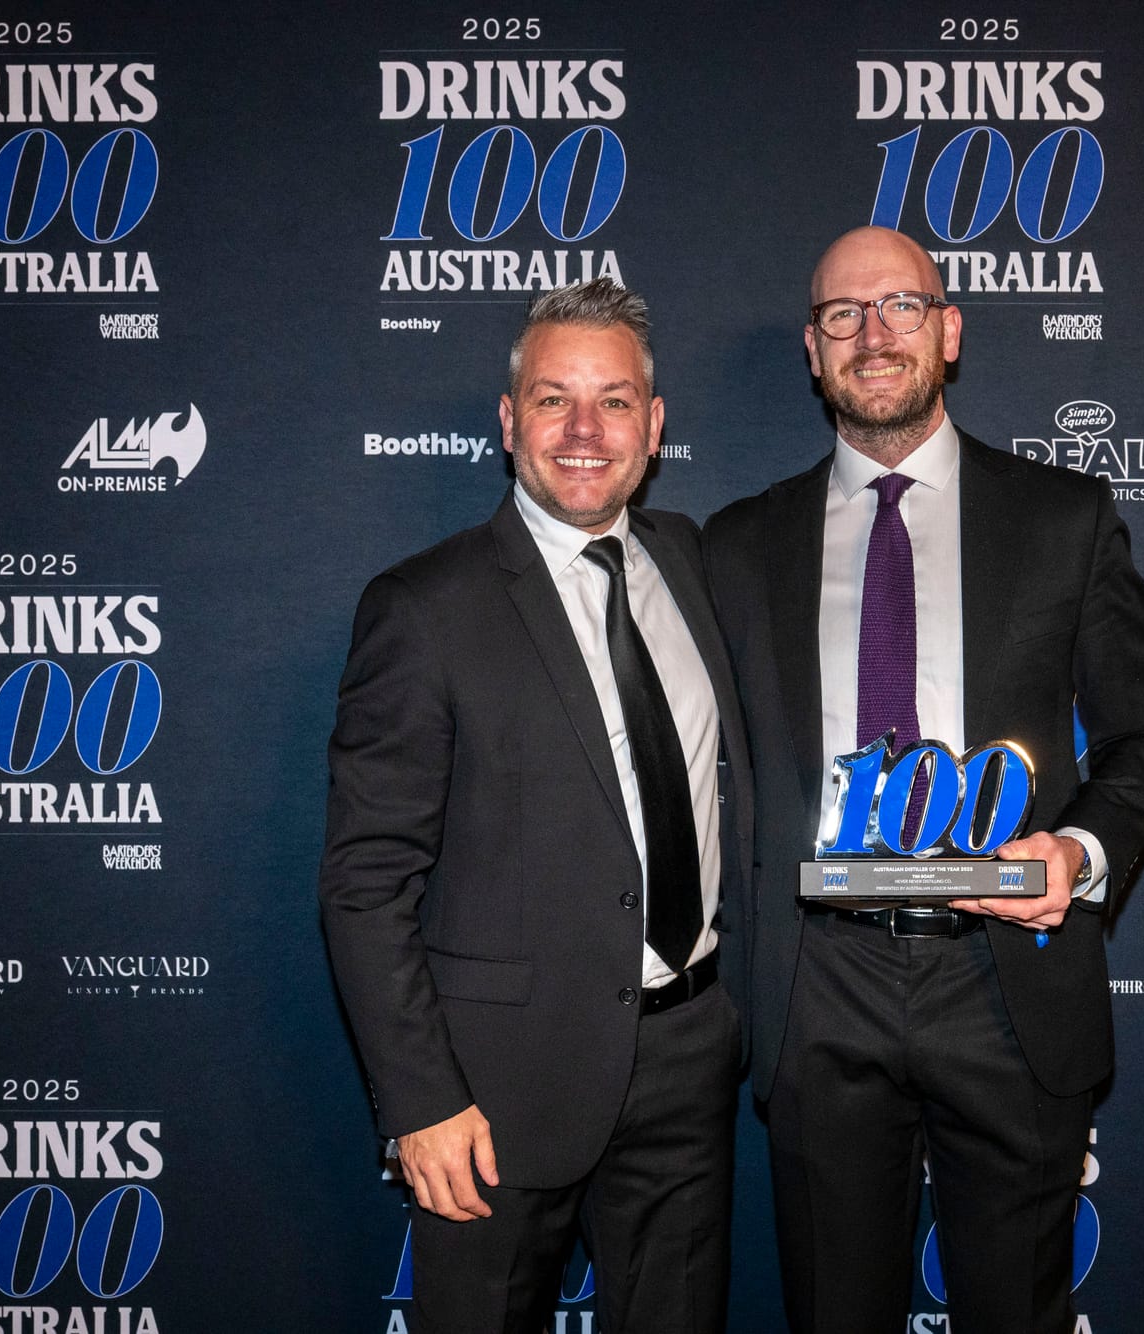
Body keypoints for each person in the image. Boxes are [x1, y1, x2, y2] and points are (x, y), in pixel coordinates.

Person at [705, 226, 1144, 1334]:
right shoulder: (735, 545)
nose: (873, 334)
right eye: (842, 315)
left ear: (949, 330)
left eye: (902, 307)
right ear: (813, 353)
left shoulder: (1065, 519)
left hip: (1006, 977)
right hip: (814, 983)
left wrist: (1073, 851)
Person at [319, 279, 751, 1334]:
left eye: (613, 400)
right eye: (553, 399)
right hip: (491, 1088)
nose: (584, 430)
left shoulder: (695, 565)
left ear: (654, 427)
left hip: (687, 1057)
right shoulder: (423, 606)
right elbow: (365, 879)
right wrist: (420, 1098)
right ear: (509, 424)